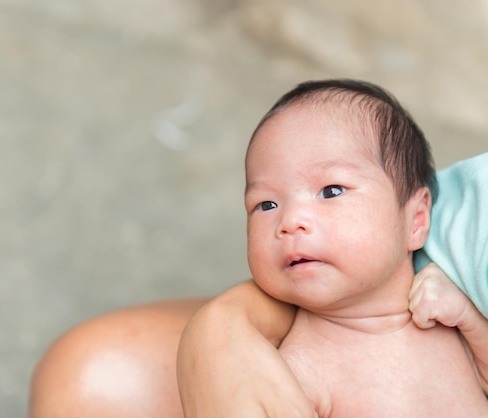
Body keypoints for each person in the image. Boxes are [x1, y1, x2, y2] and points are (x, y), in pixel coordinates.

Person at [28, 80, 488, 417]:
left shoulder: (449, 316)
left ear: (416, 220)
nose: (290, 222)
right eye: (265, 204)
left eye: (331, 191)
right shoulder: (298, 369)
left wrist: (470, 320)